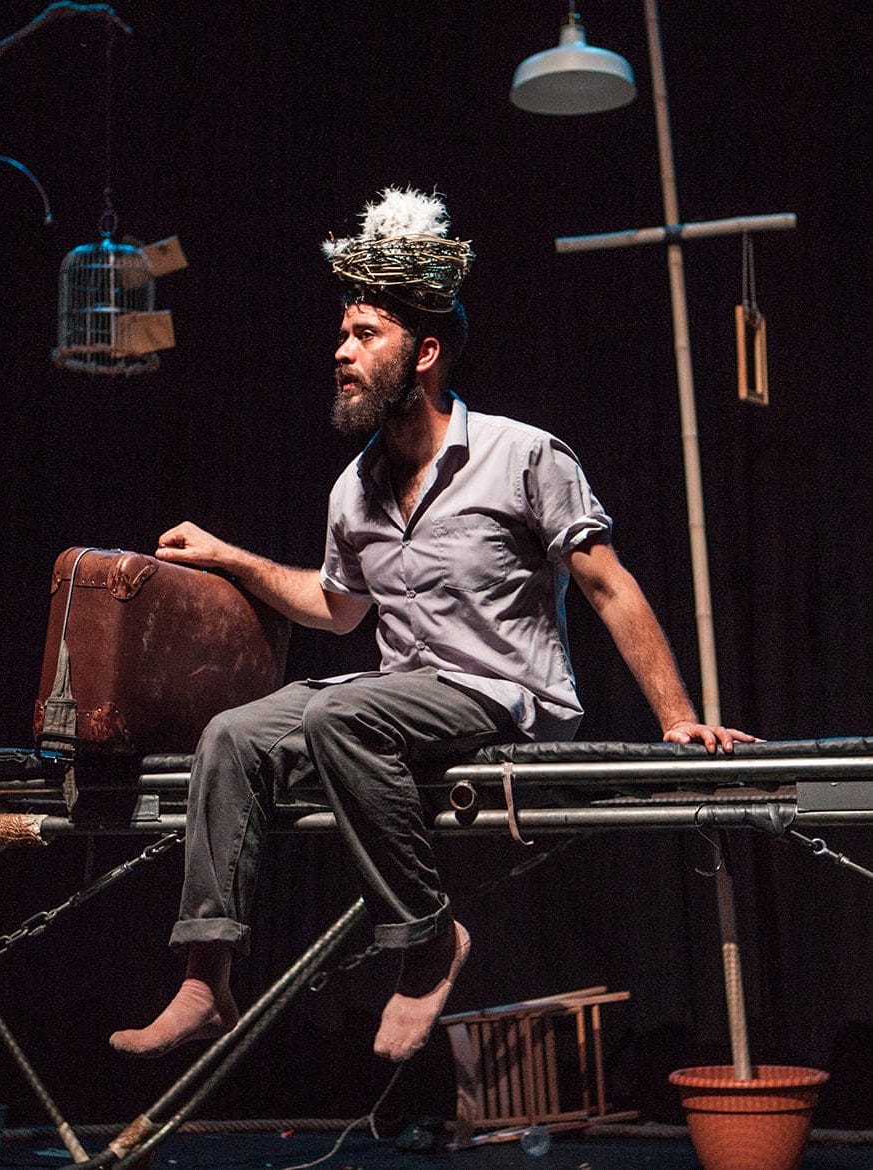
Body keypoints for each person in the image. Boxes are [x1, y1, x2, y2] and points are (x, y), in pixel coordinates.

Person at [109, 187, 755, 1063]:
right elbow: (338, 608)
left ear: (425, 352)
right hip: (392, 699)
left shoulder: (524, 455)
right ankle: (204, 975)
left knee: (344, 716)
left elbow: (609, 588)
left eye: (363, 336)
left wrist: (677, 717)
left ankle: (426, 940)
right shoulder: (354, 487)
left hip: (499, 694)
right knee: (231, 735)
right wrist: (230, 557)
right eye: (340, 335)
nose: (341, 352)